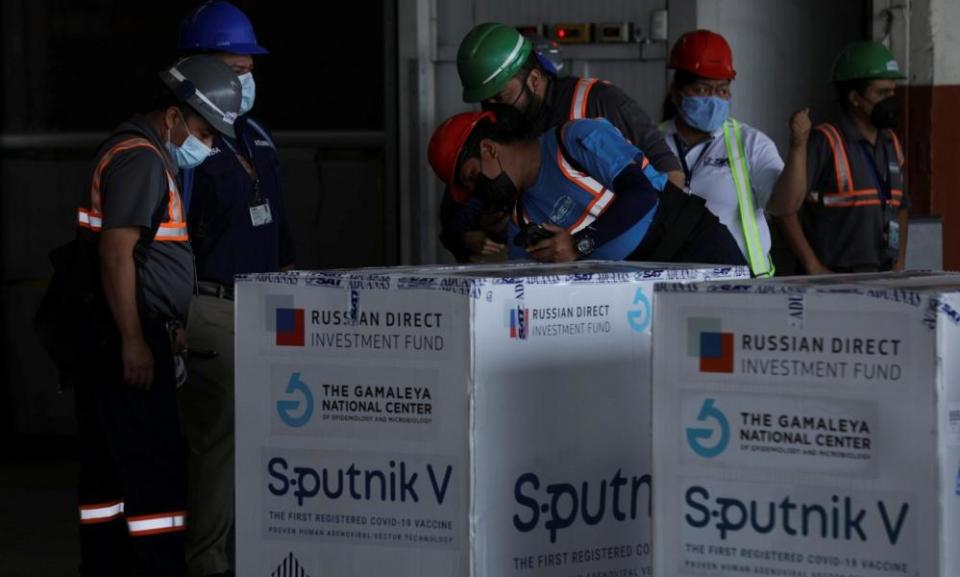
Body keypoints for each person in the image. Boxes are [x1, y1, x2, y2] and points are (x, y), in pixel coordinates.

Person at [70, 55, 241, 577]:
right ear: (173, 116)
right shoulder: (141, 159)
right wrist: (135, 341)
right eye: (205, 132)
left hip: (128, 330)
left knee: (108, 477)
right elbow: (117, 253)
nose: (207, 146)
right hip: (129, 335)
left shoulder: (140, 153)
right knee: (155, 474)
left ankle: (108, 567)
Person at [176, 2, 294, 576]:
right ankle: (207, 561)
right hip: (211, 303)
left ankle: (255, 553)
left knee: (268, 439)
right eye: (235, 68)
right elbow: (166, 235)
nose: (246, 79)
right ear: (200, 68)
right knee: (221, 439)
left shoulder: (254, 133)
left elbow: (279, 223)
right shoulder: (188, 140)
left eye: (250, 68)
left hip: (268, 305)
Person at [440, 22, 685, 262]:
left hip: (645, 256)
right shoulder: (495, 137)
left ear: (534, 79)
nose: (494, 109)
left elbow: (668, 174)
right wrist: (482, 228)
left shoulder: (596, 102)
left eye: (500, 97)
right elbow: (458, 214)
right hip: (572, 280)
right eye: (485, 102)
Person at [428, 110, 746, 265]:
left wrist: (578, 244)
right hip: (639, 291)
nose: (477, 190)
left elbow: (640, 194)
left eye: (472, 177)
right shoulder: (521, 225)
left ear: (489, 149)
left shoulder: (575, 138)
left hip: (691, 243)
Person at [660, 29, 810, 277]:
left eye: (722, 90)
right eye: (702, 90)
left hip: (743, 285)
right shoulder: (653, 142)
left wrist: (798, 146)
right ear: (676, 93)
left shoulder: (750, 143)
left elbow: (785, 205)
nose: (714, 100)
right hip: (672, 284)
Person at [777, 41, 909, 273]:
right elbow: (784, 210)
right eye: (881, 92)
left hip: (882, 276)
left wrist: (899, 264)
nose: (890, 99)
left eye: (892, 91)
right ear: (854, 98)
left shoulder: (891, 143)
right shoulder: (825, 141)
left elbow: (901, 207)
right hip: (834, 279)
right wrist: (813, 265)